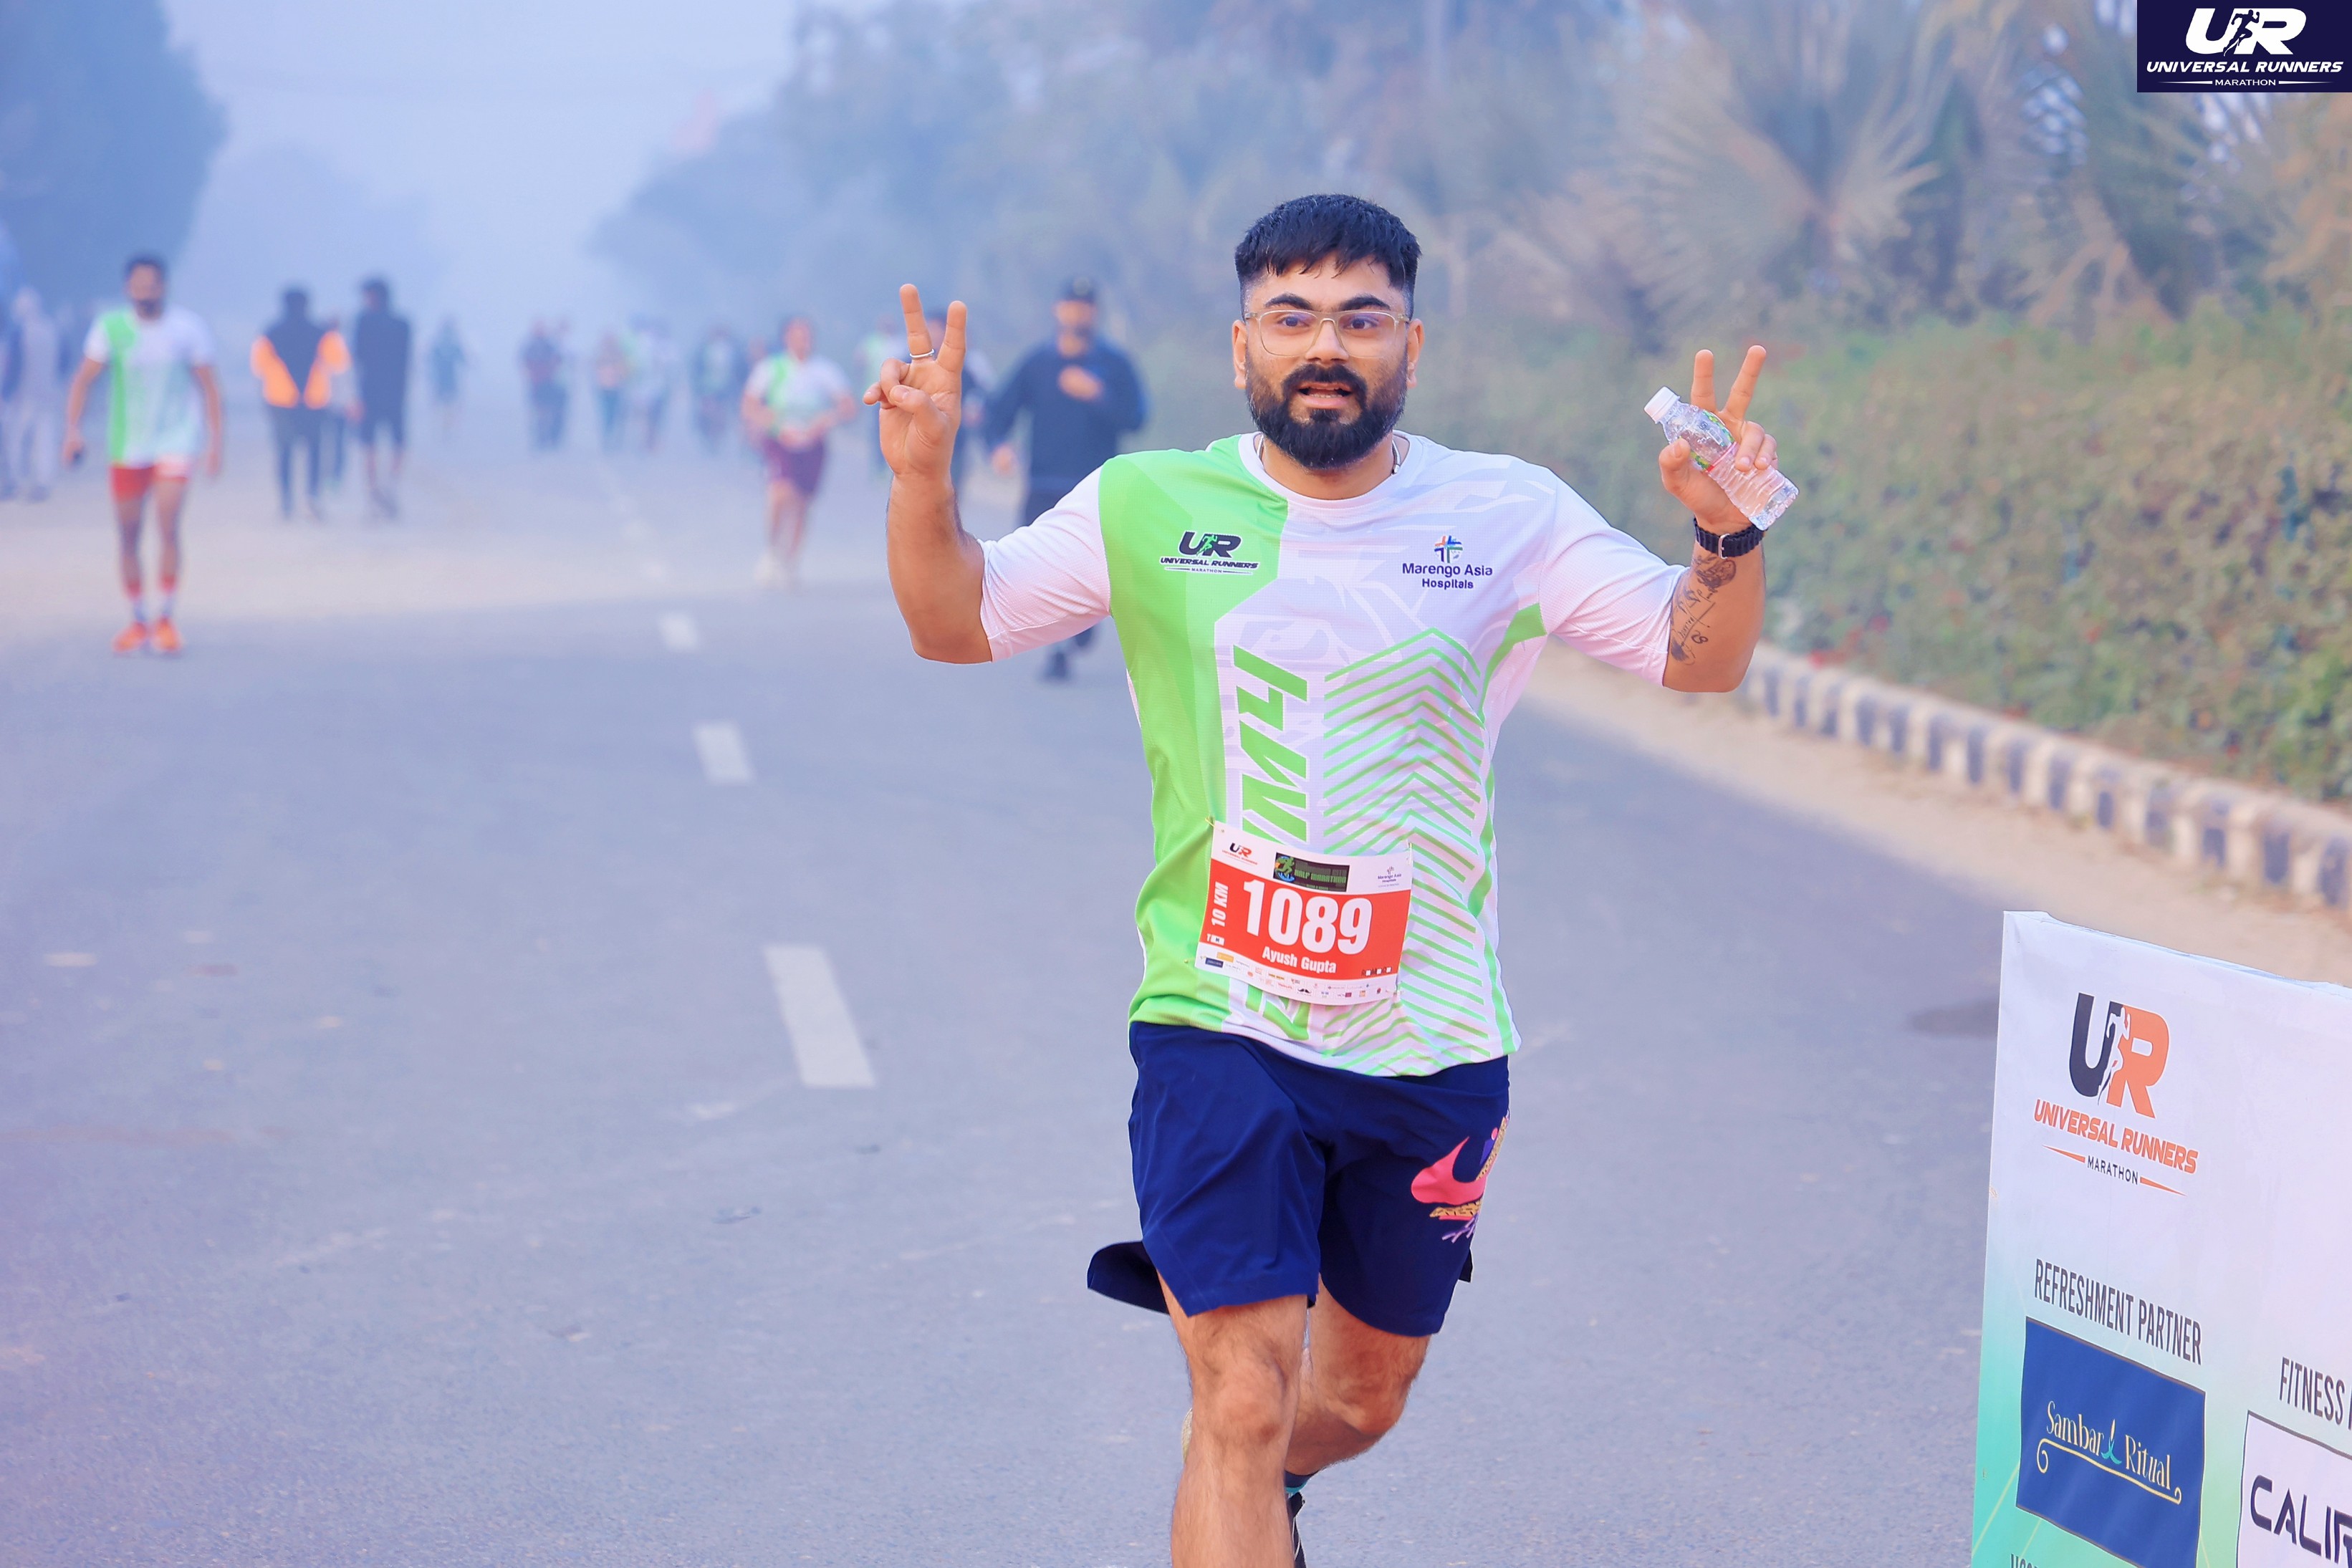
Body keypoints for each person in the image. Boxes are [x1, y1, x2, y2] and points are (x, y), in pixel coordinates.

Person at [867, 194, 1782, 1568]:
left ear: (1411, 343)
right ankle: (1235, 1471)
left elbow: (1694, 657)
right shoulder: (1146, 502)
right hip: (1219, 1015)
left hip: (1430, 1036)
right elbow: (953, 620)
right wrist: (920, 478)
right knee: (1238, 1395)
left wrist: (1726, 537)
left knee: (1354, 1398)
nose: (1325, 347)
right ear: (1240, 346)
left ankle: (1259, 1489)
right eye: (1290, 317)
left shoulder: (1506, 511)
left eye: (1360, 318)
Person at [979, 276, 1147, 680]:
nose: (1077, 313)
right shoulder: (1038, 363)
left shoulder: (1114, 364)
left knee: (1093, 569)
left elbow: (1136, 417)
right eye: (1071, 305)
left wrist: (1098, 395)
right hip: (1043, 483)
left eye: (1085, 307)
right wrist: (999, 447)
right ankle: (1058, 649)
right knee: (1040, 572)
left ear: (1095, 313)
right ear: (1058, 310)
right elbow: (998, 413)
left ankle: (1082, 626)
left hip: (1098, 488)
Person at [61, 254, 225, 656]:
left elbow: (209, 386)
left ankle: (165, 617)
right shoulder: (112, 328)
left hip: (176, 441)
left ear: (164, 287)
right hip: (128, 445)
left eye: (151, 285)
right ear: (127, 288)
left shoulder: (187, 328)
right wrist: (73, 432)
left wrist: (215, 443)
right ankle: (137, 619)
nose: (144, 292)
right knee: (129, 534)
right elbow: (84, 380)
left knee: (168, 526)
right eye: (137, 285)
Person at [740, 314, 855, 589]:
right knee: (779, 494)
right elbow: (749, 405)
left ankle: (790, 562)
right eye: (797, 335)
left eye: (807, 335)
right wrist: (775, 425)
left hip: (813, 444)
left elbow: (848, 406)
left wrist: (825, 421)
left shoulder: (825, 371)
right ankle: (771, 552)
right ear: (786, 338)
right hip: (780, 442)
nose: (804, 340)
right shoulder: (771, 368)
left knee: (802, 503)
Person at [250, 287, 348, 520]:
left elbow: (258, 366)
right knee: (315, 451)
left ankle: (286, 501)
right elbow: (339, 363)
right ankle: (311, 497)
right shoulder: (321, 332)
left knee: (284, 452)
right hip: (314, 400)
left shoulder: (270, 332)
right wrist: (335, 333)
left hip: (281, 399)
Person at [350, 277, 412, 518]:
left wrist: (355, 396)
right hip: (396, 391)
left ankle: (373, 491)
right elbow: (406, 362)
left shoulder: (364, 321)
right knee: (398, 442)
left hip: (370, 391)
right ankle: (391, 486)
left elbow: (357, 358)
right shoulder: (402, 324)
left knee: (369, 444)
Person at [1, 286, 65, 502]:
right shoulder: (52, 328)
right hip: (48, 394)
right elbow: (64, 361)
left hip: (23, 397)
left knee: (16, 441)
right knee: (45, 441)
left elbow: (14, 366)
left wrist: (6, 393)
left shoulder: (20, 333)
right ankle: (42, 482)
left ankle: (15, 482)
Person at [691, 325, 745, 455]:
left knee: (722, 415)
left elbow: (738, 369)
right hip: (707, 387)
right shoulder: (704, 349)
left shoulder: (732, 350)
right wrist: (697, 387)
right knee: (708, 413)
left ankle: (718, 437)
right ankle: (708, 435)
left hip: (726, 388)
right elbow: (697, 368)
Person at [521, 321, 563, 450]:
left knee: (549, 412)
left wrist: (552, 370)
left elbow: (557, 360)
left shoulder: (549, 345)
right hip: (535, 384)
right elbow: (523, 362)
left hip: (548, 383)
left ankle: (548, 437)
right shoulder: (530, 345)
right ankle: (539, 439)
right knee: (538, 413)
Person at [426, 317, 467, 438]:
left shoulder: (438, 345)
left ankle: (442, 428)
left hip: (442, 379)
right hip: (447, 379)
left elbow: (429, 360)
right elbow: (464, 360)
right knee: (447, 405)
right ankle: (444, 428)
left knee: (443, 405)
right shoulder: (453, 345)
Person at [592, 330, 632, 453]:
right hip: (604, 389)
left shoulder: (619, 356)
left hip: (616, 389)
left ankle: (613, 438)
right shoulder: (601, 355)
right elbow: (595, 371)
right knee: (607, 415)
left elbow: (624, 372)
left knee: (614, 415)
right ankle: (607, 438)